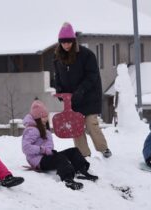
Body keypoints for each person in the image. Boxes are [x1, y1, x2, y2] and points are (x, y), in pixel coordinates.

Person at [53, 22, 112, 158]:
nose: (66, 45)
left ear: (74, 41)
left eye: (69, 42)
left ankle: (104, 149)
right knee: (76, 126)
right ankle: (83, 154)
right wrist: (59, 89)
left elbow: (92, 76)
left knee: (91, 123)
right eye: (63, 43)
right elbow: (57, 76)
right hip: (73, 99)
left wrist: (81, 90)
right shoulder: (57, 57)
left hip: (89, 95)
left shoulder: (86, 55)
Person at [22, 100, 98, 190]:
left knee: (73, 151)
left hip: (46, 156)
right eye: (43, 117)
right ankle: (68, 180)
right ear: (37, 118)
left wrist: (48, 149)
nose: (46, 119)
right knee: (59, 158)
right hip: (38, 161)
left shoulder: (42, 128)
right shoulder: (32, 130)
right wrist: (42, 150)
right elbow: (26, 148)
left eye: (46, 116)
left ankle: (81, 171)